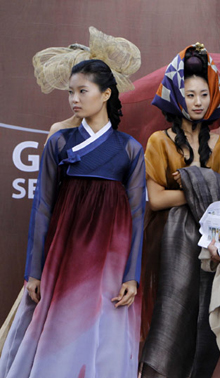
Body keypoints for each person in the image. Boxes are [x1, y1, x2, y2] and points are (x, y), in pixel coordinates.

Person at [0, 59, 145, 378]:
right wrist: (34, 270)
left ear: (106, 94)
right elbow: (42, 207)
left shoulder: (130, 150)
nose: (74, 99)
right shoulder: (60, 142)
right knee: (61, 330)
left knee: (104, 334)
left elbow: (137, 215)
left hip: (112, 259)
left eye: (83, 91)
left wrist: (131, 275)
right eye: (71, 92)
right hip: (66, 255)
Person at [140, 43, 220, 378]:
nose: (197, 102)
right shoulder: (159, 142)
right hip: (168, 246)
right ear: (176, 95)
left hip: (214, 246)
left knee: (206, 319)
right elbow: (155, 199)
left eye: (203, 95)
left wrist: (189, 182)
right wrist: (201, 188)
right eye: (190, 94)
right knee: (169, 317)